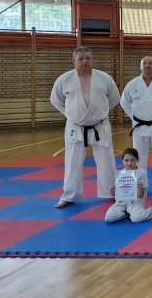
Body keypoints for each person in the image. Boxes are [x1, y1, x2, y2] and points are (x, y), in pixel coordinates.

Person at [50, 46, 120, 208]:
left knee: (106, 160)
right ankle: (69, 195)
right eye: (81, 59)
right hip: (75, 126)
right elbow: (56, 99)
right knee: (72, 161)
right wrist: (70, 113)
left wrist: (100, 112)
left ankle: (111, 192)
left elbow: (114, 98)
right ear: (73, 61)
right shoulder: (64, 79)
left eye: (88, 58)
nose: (85, 61)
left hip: (100, 124)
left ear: (92, 60)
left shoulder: (104, 78)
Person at [105, 147, 152, 223]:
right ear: (122, 161)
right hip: (122, 201)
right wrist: (113, 190)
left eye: (132, 160)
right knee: (109, 218)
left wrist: (140, 188)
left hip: (136, 201)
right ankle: (127, 213)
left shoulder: (142, 173)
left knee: (136, 219)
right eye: (126, 160)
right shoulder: (121, 173)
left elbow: (141, 195)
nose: (129, 163)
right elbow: (117, 194)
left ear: (137, 160)